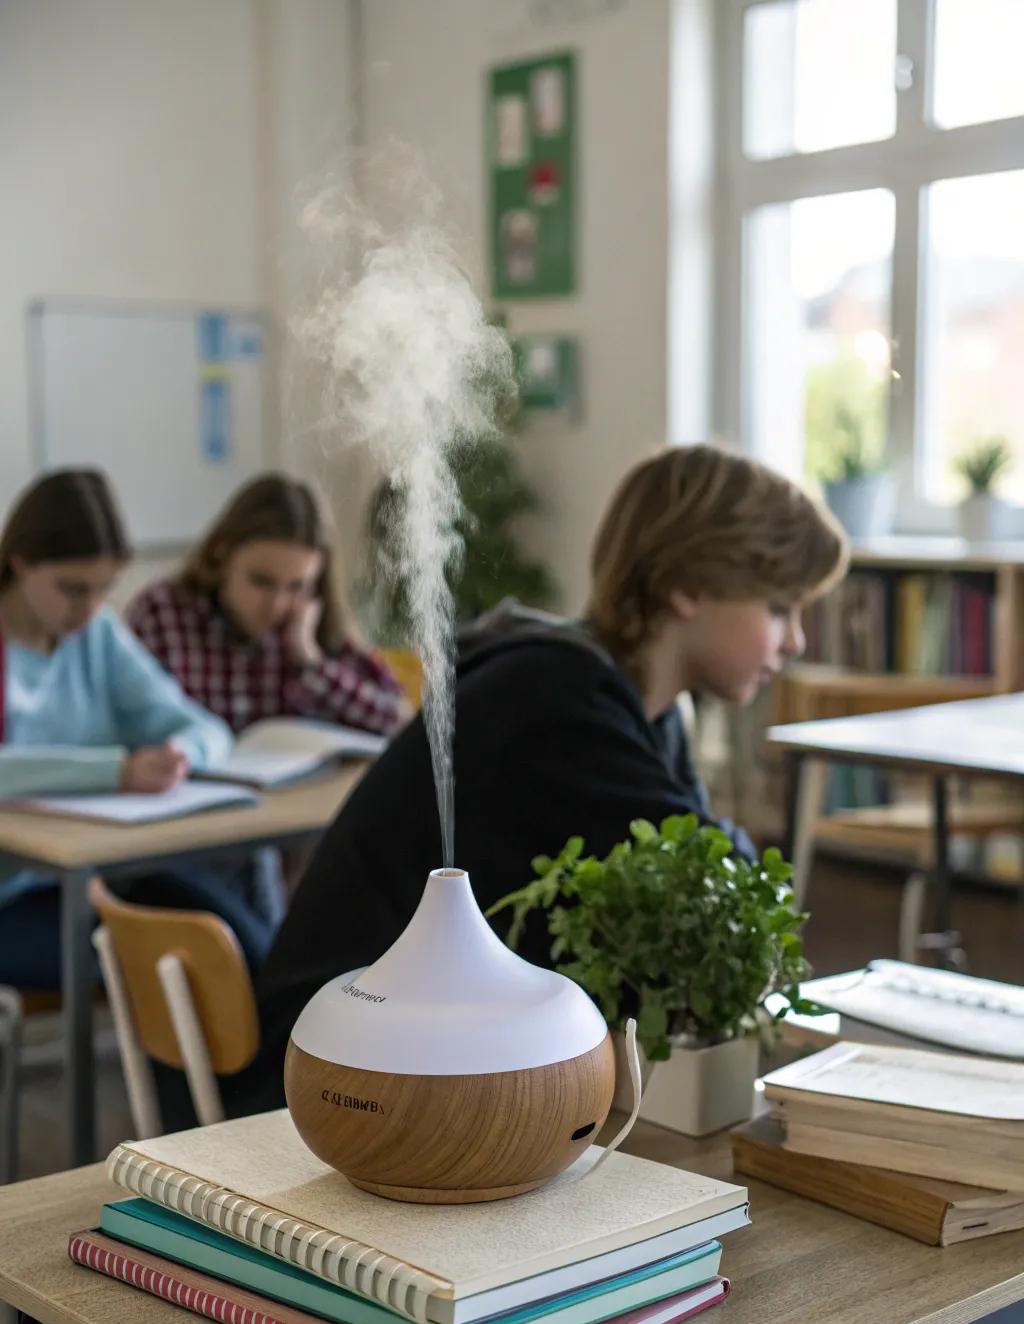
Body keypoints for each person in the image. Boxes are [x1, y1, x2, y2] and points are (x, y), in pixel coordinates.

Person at [225, 443, 849, 1117]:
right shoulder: (556, 699)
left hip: (425, 1054)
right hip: (340, 1078)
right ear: (688, 587)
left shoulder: (640, 708)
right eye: (781, 608)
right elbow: (724, 902)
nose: (797, 642)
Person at [0, 468, 272, 989]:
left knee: (234, 942)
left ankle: (267, 1070)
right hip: (14, 899)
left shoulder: (96, 634)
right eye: (72, 589)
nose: (90, 609)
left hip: (96, 877)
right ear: (20, 563)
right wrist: (115, 771)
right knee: (178, 960)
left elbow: (203, 726)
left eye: (103, 590)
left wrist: (181, 754)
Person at [125, 473, 405, 738]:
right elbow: (122, 722)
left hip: (298, 789)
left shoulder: (311, 622)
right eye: (261, 581)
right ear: (221, 554)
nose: (277, 604)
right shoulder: (159, 614)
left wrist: (310, 662)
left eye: (296, 586)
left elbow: (397, 719)